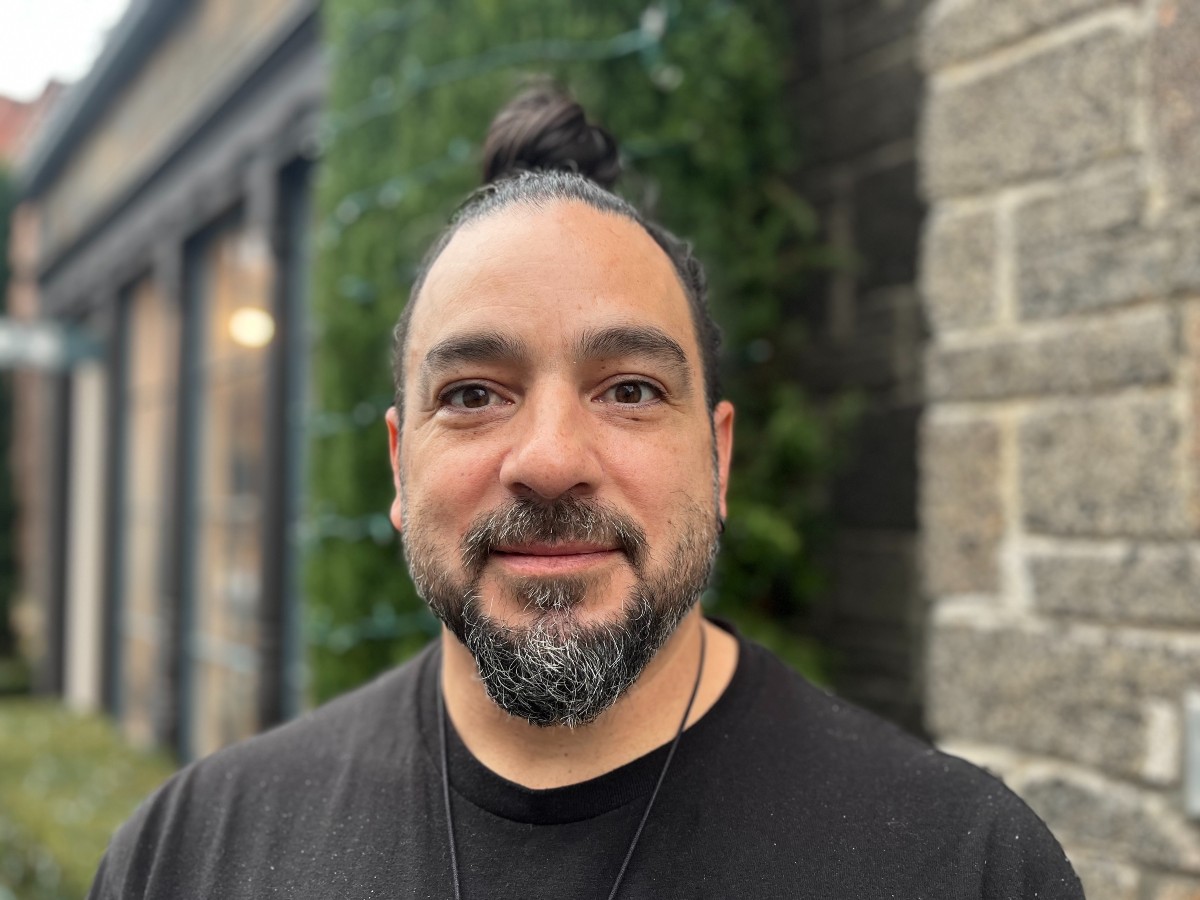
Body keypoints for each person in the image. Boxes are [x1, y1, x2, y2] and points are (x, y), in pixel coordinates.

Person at [88, 87, 1084, 900]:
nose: (551, 458)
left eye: (630, 390)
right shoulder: (188, 856)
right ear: (398, 466)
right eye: (474, 395)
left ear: (718, 459)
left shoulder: (965, 867)